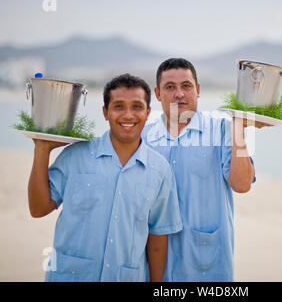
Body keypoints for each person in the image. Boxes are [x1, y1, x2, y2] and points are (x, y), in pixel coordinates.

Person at [28, 73, 182, 282]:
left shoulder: (160, 170)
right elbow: (38, 209)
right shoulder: (75, 157)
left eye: (136, 107)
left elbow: (158, 236)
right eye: (118, 106)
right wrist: (41, 148)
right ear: (105, 112)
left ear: (147, 113)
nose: (128, 115)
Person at [142, 58, 259, 281]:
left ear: (197, 90)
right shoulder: (144, 138)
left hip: (208, 268)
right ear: (157, 94)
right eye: (170, 87)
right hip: (155, 268)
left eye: (186, 86)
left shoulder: (223, 129)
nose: (179, 94)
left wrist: (239, 127)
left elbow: (242, 184)